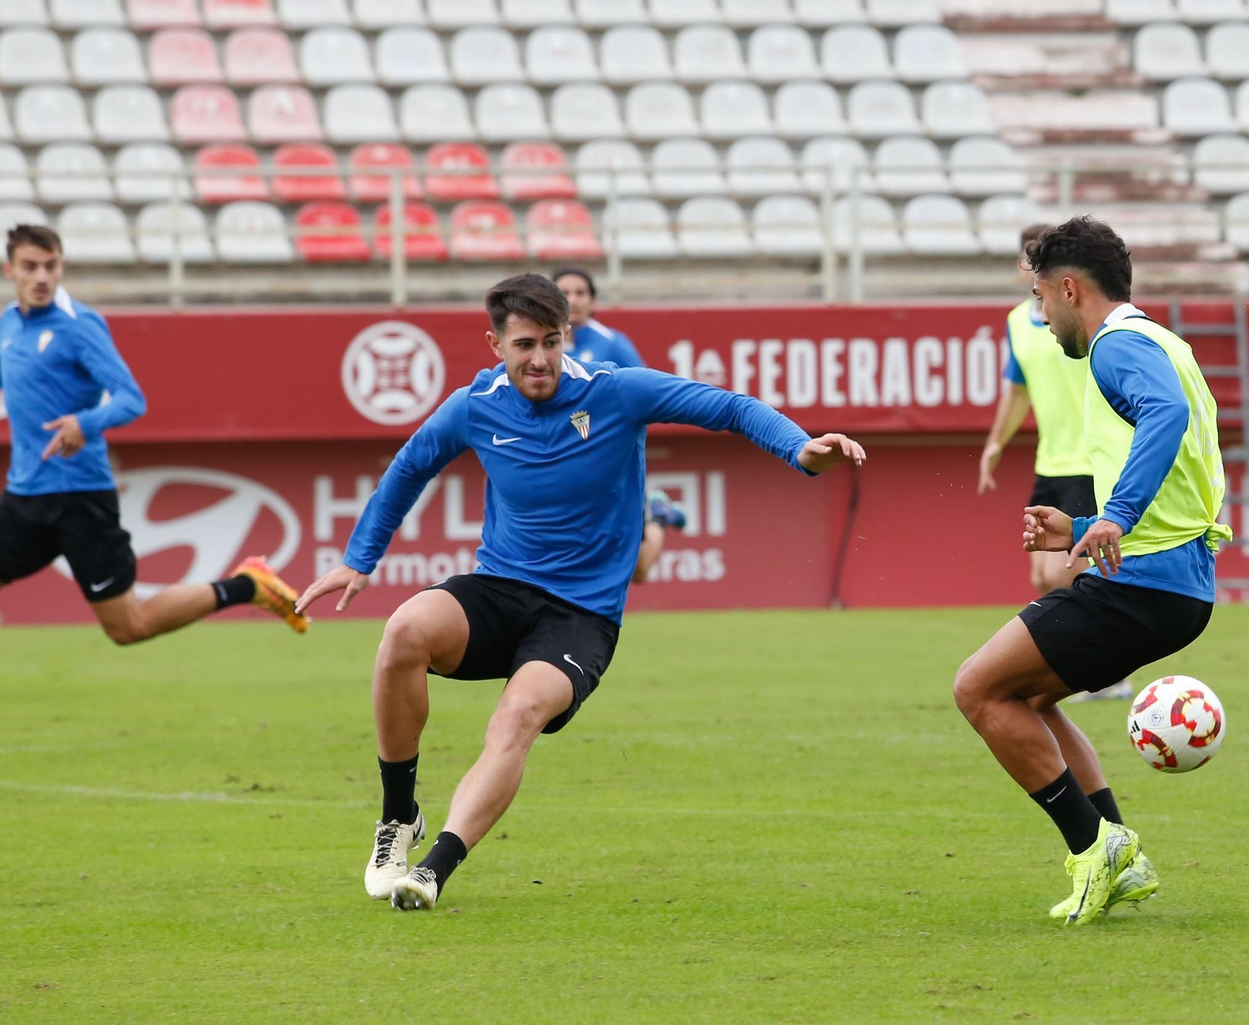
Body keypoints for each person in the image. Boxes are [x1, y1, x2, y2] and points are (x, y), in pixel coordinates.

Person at [296, 274, 866, 913]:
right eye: (522, 345)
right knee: (403, 630)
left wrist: (801, 449)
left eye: (549, 341)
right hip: (499, 589)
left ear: (567, 336)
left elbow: (729, 406)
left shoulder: (615, 390)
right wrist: (358, 559)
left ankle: (432, 870)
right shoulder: (473, 404)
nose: (537, 359)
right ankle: (398, 818)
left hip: (580, 614)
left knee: (517, 717)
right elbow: (409, 467)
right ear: (495, 345)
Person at [951, 217, 1230, 926]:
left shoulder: (1114, 346)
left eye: (1043, 299)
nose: (1042, 319)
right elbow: (1181, 458)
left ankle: (1093, 847)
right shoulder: (1165, 341)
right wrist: (1079, 528)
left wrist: (1116, 515)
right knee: (1027, 698)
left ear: (1071, 289)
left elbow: (1163, 414)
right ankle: (1119, 856)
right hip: (1172, 580)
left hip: (1146, 582)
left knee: (978, 689)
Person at [0, 225, 308, 677]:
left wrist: (85, 423)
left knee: (128, 626)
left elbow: (130, 398)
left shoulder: (79, 325)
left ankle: (247, 586)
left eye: (51, 266)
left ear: (61, 266)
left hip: (80, 498)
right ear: (10, 271)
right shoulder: (10, 320)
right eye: (30, 267)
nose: (42, 276)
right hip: (24, 498)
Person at [977, 224, 1095, 600]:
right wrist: (996, 442)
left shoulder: (1082, 316)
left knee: (1063, 574)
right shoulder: (1016, 321)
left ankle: (1091, 652)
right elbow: (1016, 390)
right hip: (1050, 463)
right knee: (1042, 578)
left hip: (1089, 461)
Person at [551, 266, 684, 584]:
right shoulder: (540, 346)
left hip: (609, 464)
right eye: (565, 293)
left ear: (593, 300)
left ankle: (658, 515)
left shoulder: (612, 344)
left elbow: (645, 396)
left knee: (637, 570)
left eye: (581, 293)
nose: (573, 300)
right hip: (559, 464)